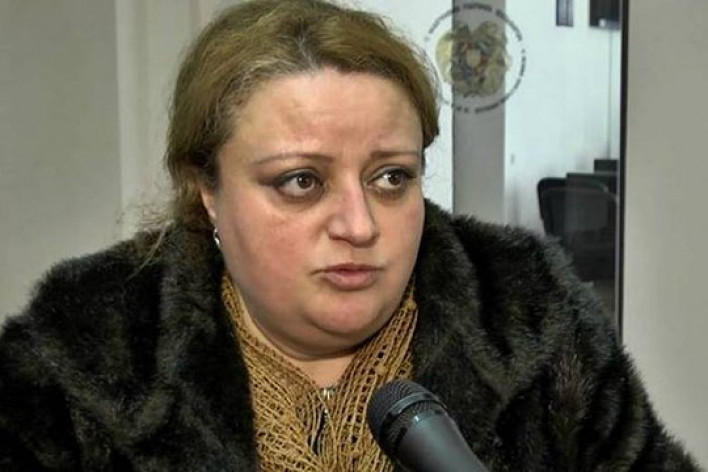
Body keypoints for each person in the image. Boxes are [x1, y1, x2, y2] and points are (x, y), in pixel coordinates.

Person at [0, 0, 701, 470]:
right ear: (206, 189)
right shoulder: (79, 355)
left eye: (391, 177)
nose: (360, 225)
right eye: (301, 181)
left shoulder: (534, 318)